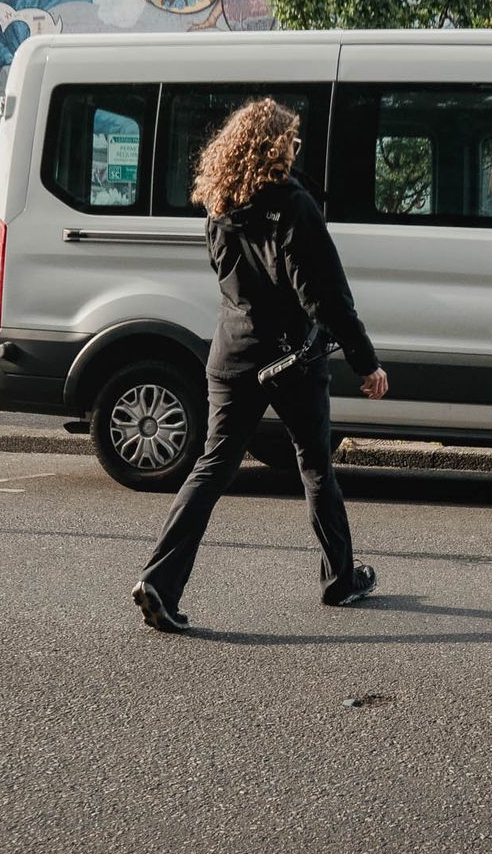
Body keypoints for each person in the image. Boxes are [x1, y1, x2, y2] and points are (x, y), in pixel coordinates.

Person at [132, 98, 390, 633]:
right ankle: (340, 580)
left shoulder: (220, 204)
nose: (296, 148)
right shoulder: (294, 206)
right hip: (290, 358)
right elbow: (325, 296)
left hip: (231, 354)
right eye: (291, 140)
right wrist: (366, 362)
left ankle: (160, 578)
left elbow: (227, 279)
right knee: (315, 465)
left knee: (212, 467)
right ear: (275, 145)